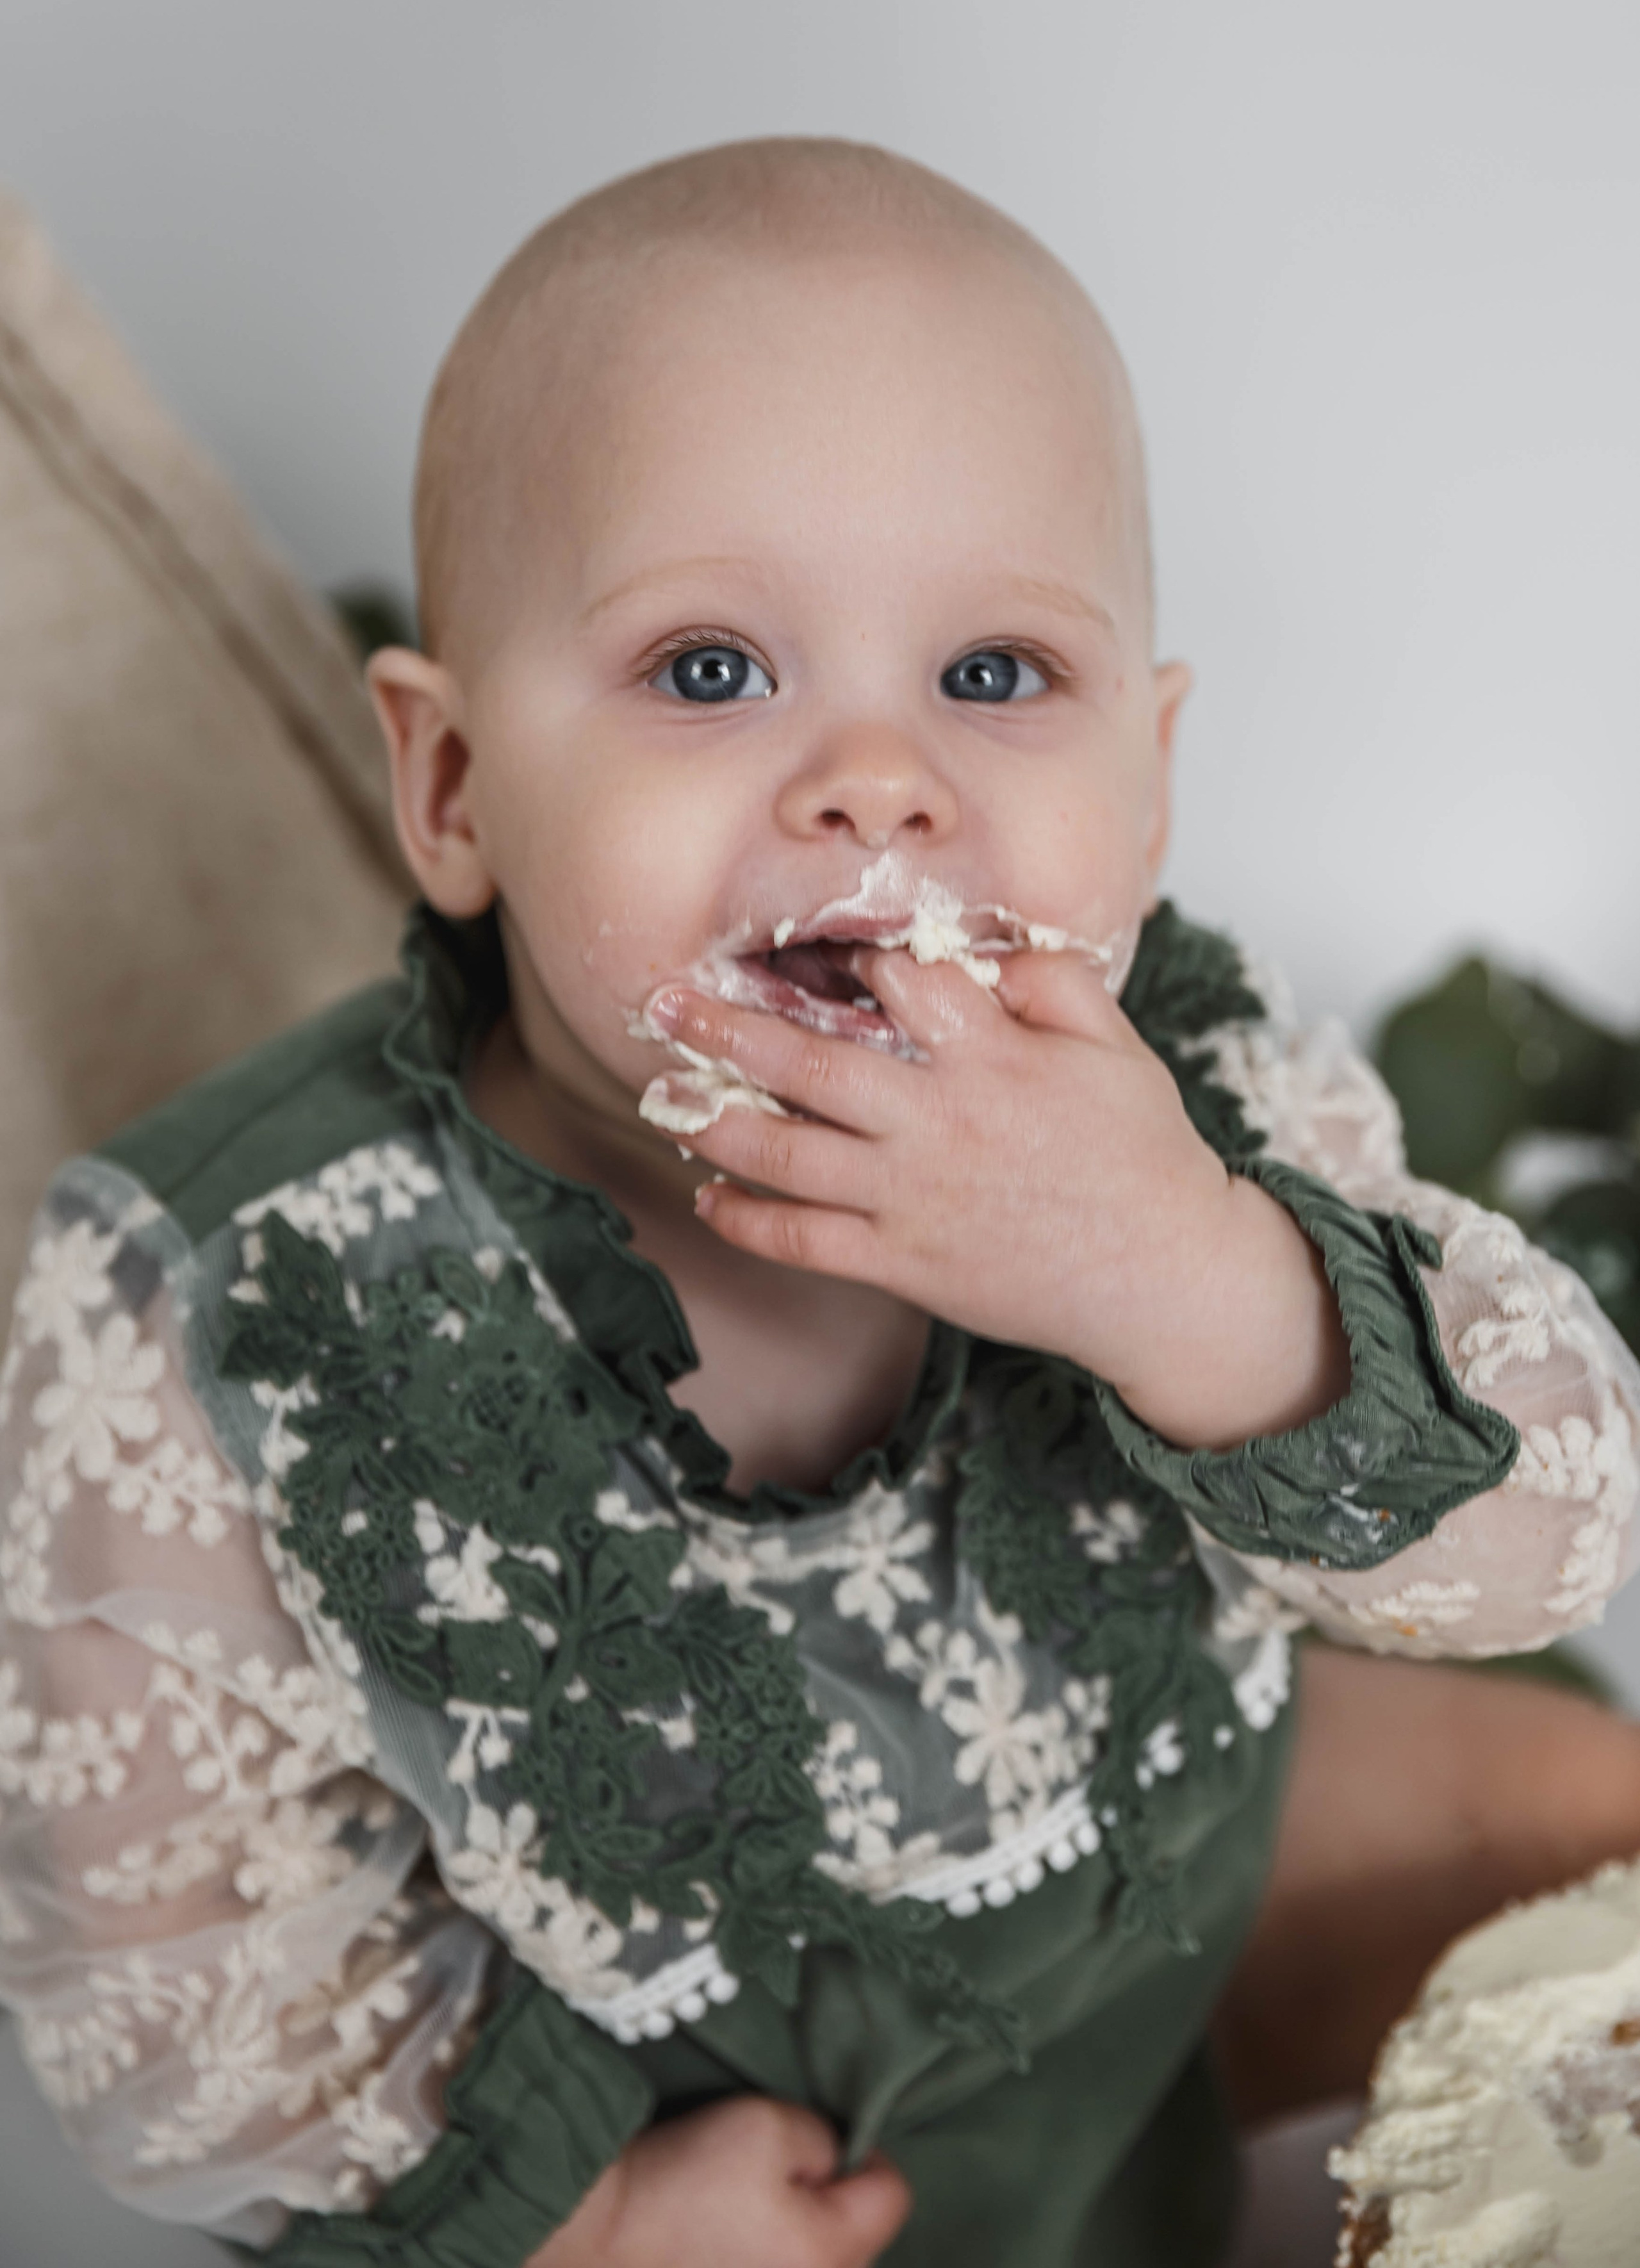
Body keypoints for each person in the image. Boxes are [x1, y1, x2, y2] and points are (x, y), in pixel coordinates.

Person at [2, 139, 1637, 2268]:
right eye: (710, 669)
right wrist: (578, 2216)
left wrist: (1201, 1284)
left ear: (1149, 788)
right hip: (685, 2196)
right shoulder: (224, 1304)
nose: (880, 781)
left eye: (993, 675)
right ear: (455, 786)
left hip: (1130, 2051)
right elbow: (165, 1970)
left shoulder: (1193, 1102)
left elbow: (1558, 1530)